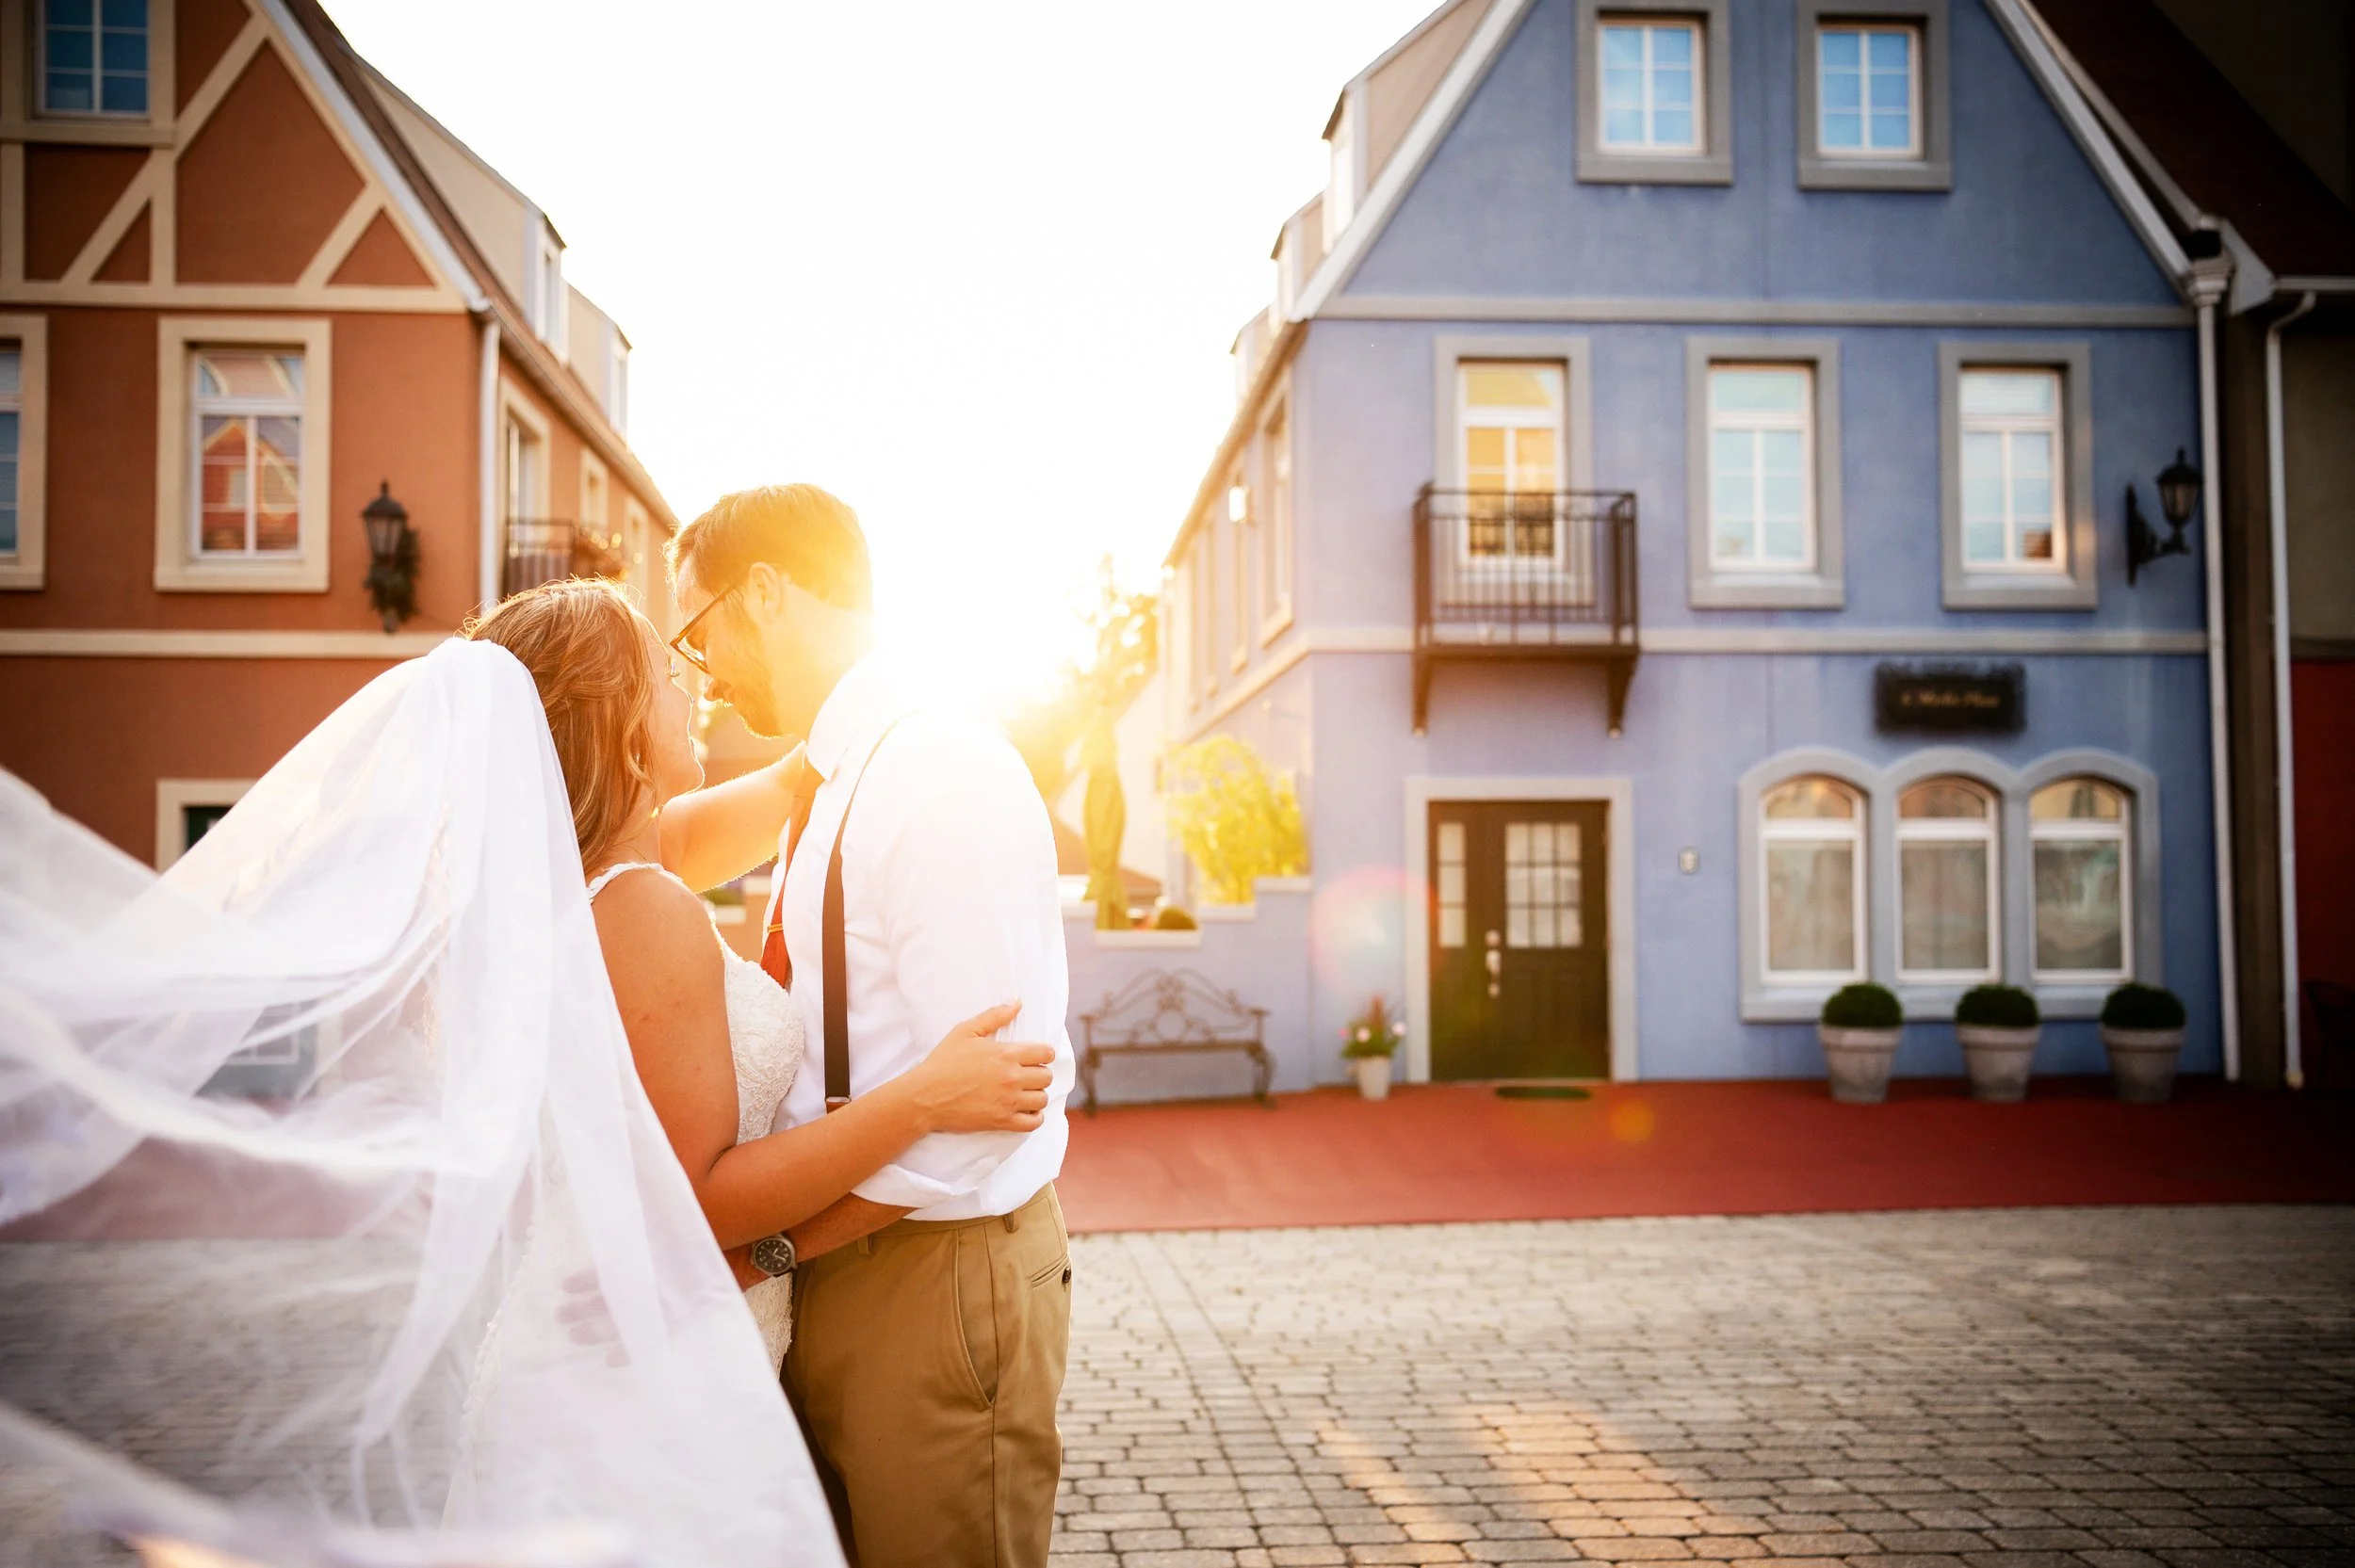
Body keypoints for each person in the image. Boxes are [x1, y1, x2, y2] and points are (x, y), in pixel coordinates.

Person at [461, 580, 1052, 1377]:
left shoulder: (580, 870)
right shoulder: (646, 905)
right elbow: (700, 1195)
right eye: (668, 679)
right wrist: (926, 1094)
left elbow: (790, 780)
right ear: (626, 725)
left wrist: (842, 690)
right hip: (667, 1351)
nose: (696, 691)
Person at [667, 484, 1075, 1568]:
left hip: (930, 1273)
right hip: (834, 1269)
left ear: (762, 594)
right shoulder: (833, 771)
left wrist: (777, 1243)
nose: (700, 670)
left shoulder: (936, 770)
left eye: (694, 629)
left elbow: (988, 1108)